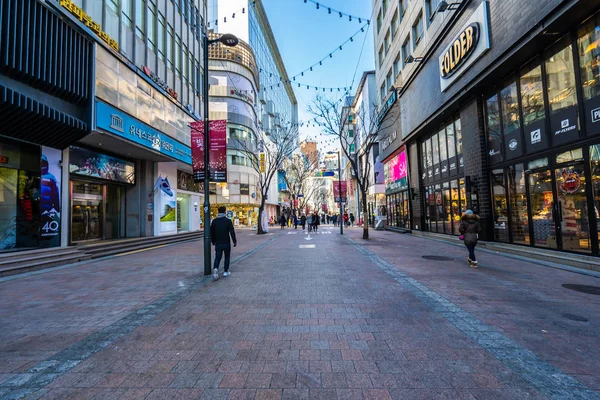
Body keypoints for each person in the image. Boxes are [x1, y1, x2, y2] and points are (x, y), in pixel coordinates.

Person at [210, 206, 237, 280]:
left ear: (218, 212)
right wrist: (234, 241)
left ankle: (215, 268)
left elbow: (211, 232)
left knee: (217, 257)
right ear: (225, 212)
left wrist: (213, 241)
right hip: (226, 242)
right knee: (227, 256)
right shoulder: (228, 221)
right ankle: (226, 271)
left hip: (218, 243)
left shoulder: (214, 221)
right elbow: (232, 232)